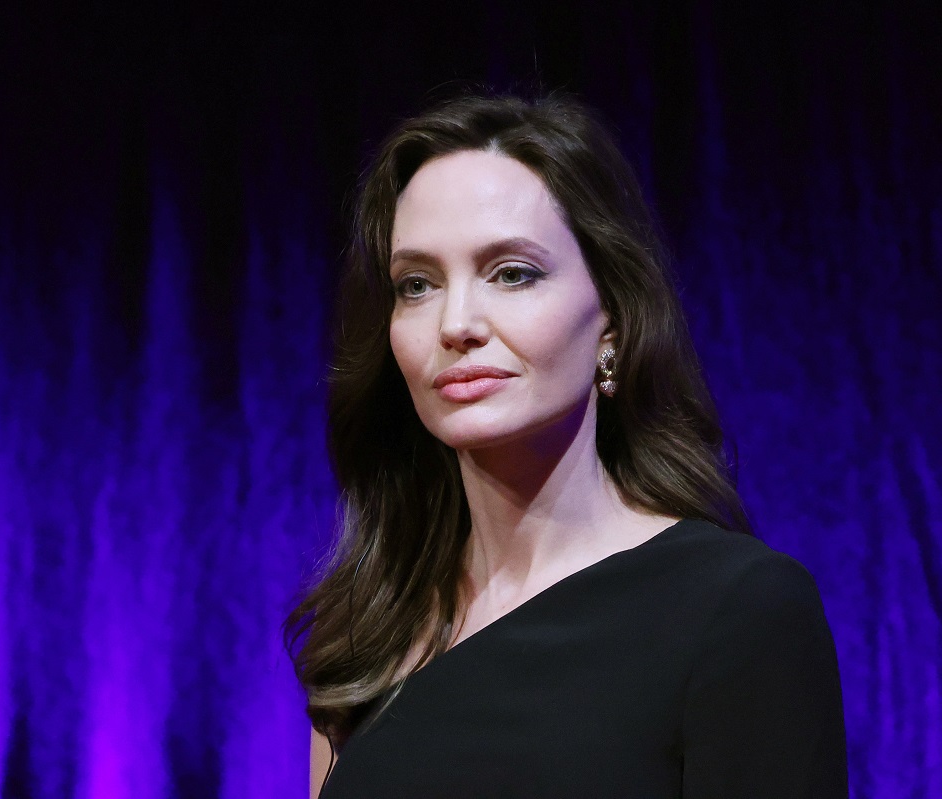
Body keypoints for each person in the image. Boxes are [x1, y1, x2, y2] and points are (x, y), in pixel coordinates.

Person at [283, 92, 847, 798]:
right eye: (418, 284)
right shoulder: (373, 631)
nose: (456, 322)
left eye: (511, 272)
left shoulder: (739, 611)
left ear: (611, 321)